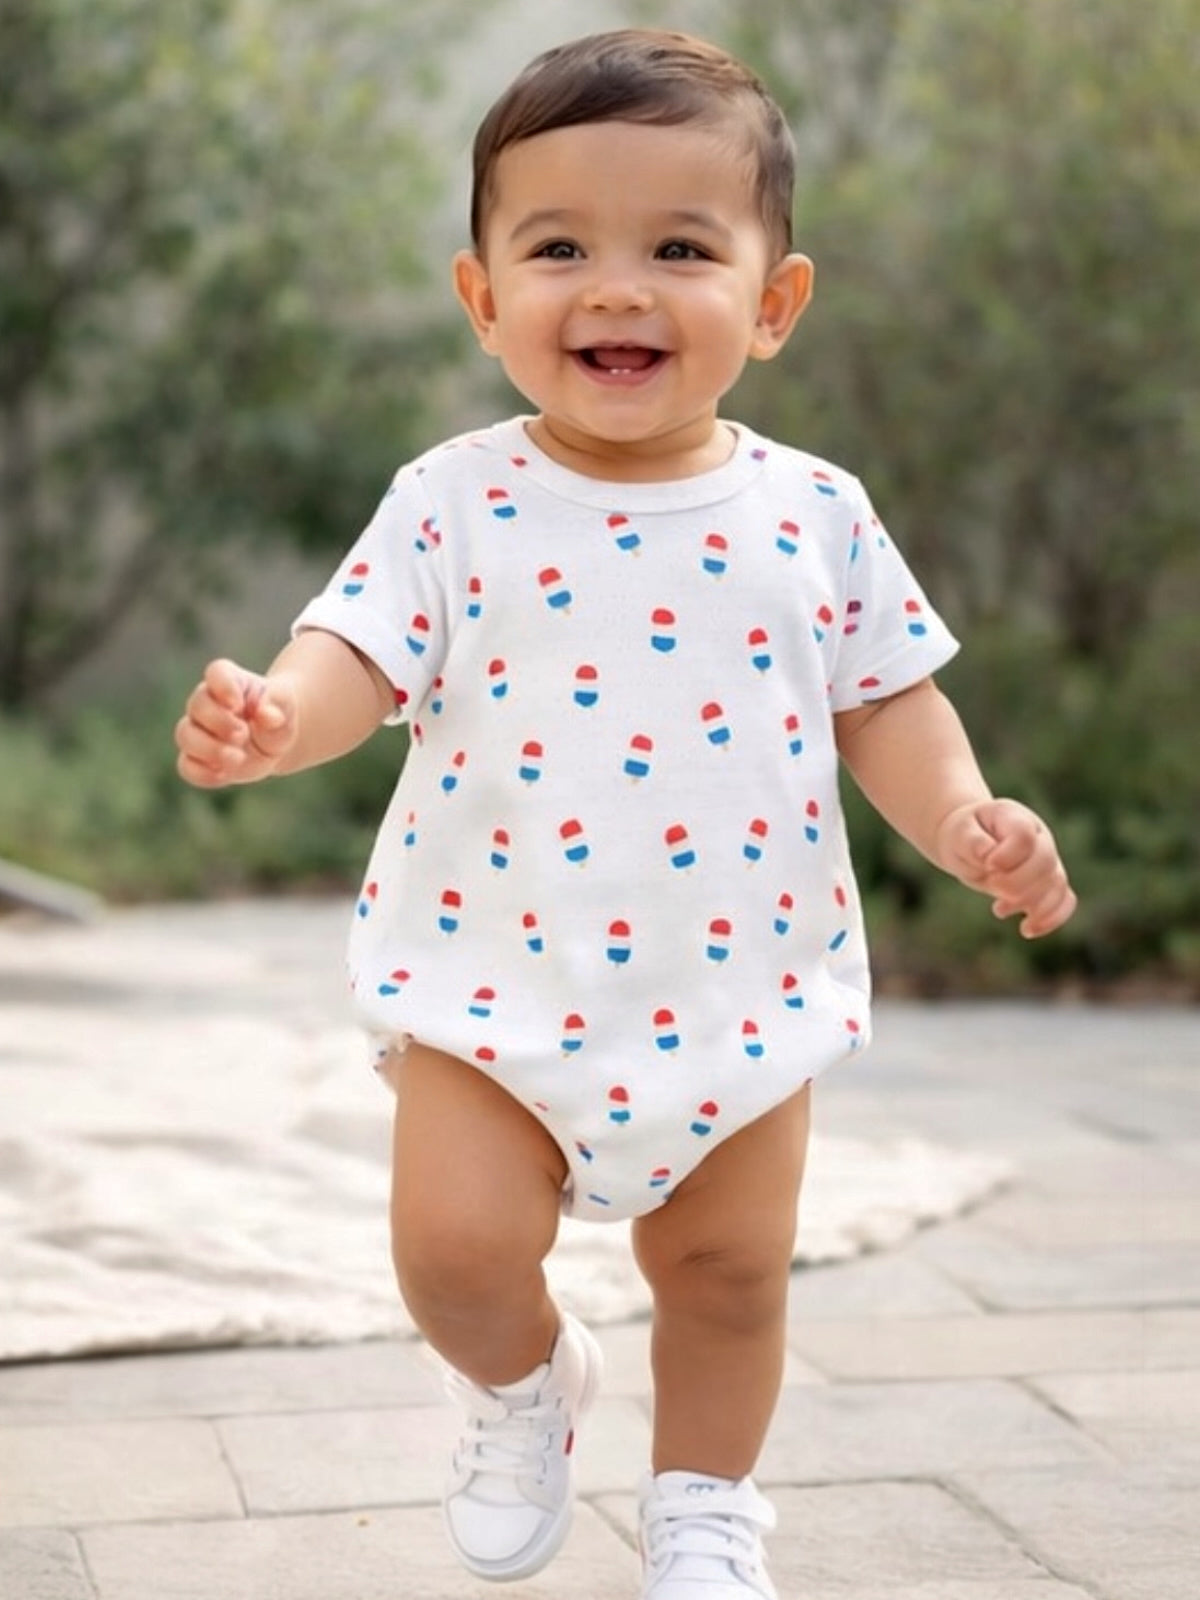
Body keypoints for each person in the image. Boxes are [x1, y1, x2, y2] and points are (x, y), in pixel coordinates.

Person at [175, 28, 1076, 1600]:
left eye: (678, 248)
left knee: (728, 1277)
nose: (615, 289)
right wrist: (276, 720)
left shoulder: (816, 513)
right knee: (453, 1256)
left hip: (737, 990)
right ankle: (524, 1384)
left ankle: (706, 1511)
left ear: (773, 303)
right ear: (482, 299)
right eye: (558, 249)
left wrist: (965, 817)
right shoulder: (452, 500)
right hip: (493, 984)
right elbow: (357, 654)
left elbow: (887, 701)